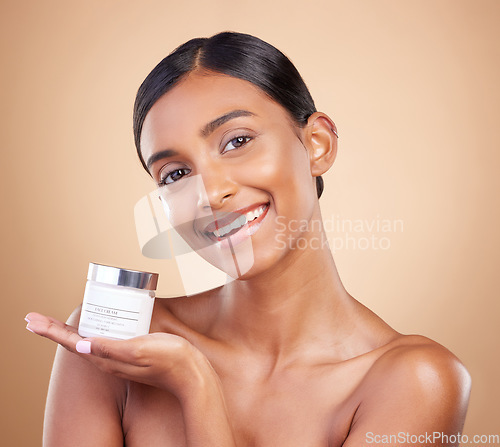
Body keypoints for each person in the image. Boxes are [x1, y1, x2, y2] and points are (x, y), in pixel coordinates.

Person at [25, 31, 471, 447]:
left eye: (237, 140)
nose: (212, 192)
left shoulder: (415, 380)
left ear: (317, 144)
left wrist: (194, 382)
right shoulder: (115, 348)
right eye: (176, 174)